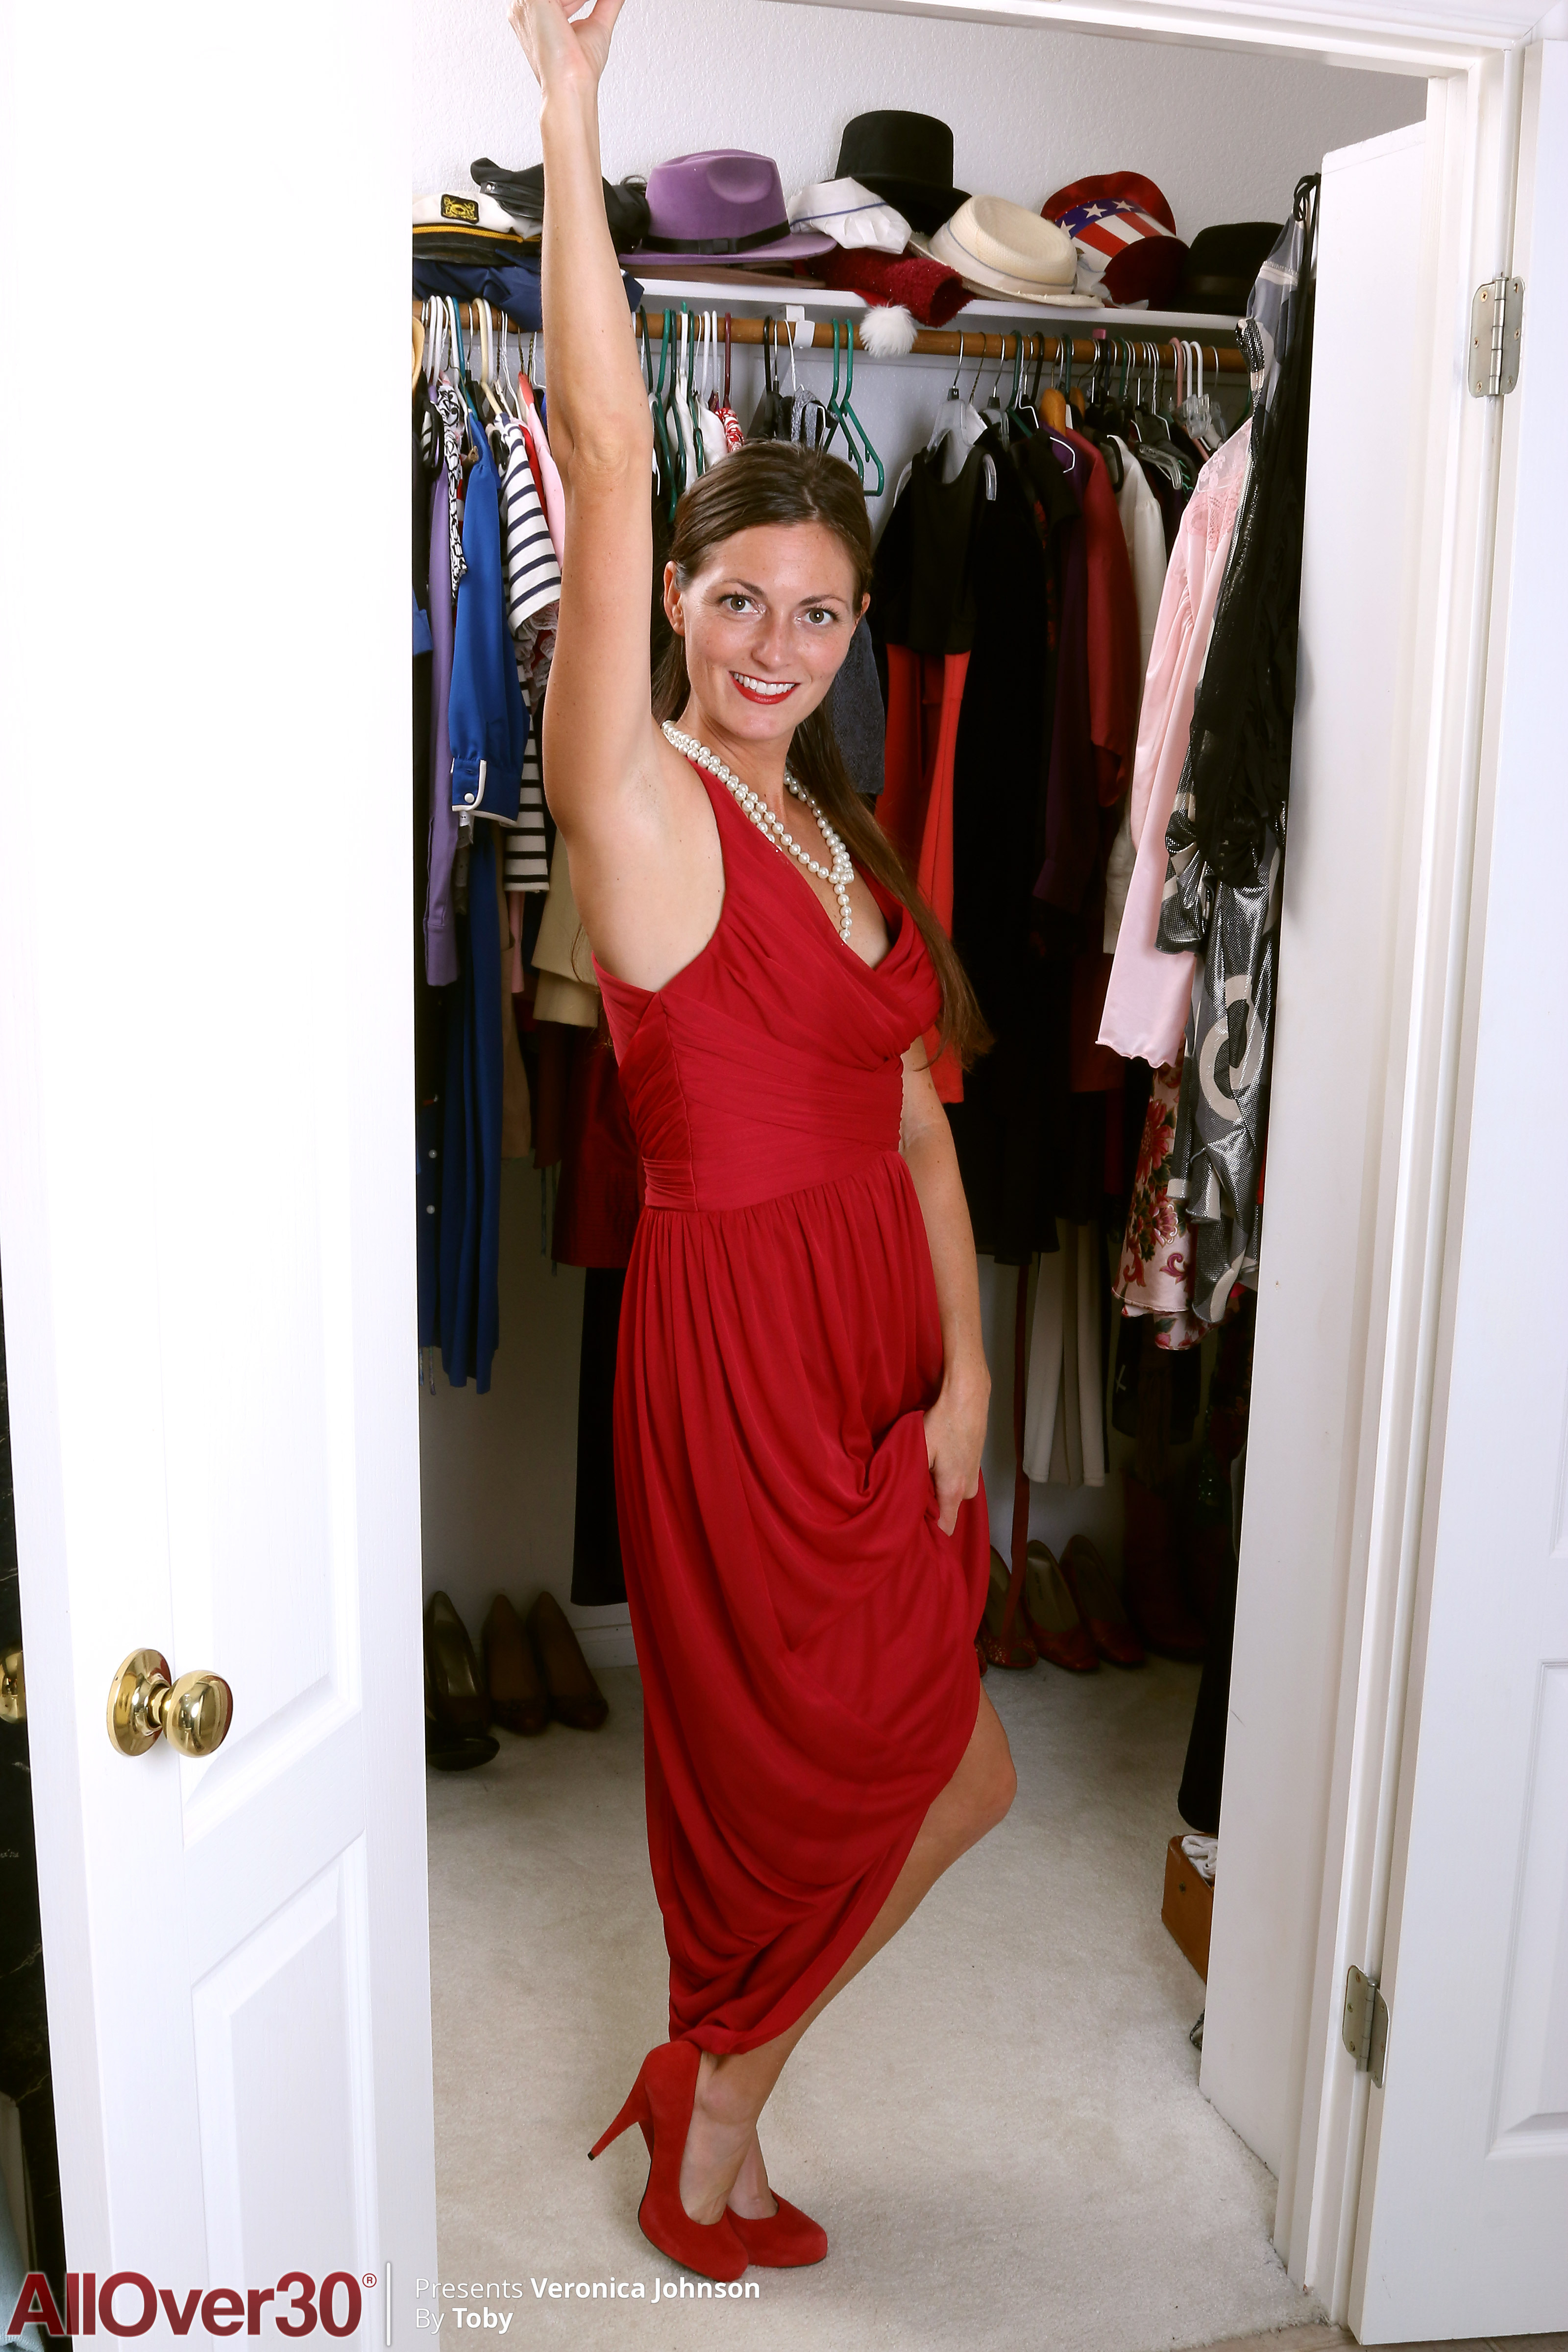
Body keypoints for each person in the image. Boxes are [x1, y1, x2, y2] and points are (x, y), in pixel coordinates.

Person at [507, 0, 1017, 2284]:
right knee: (805, 1779)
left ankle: (706, 2091)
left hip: (880, 1365)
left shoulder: (840, 833)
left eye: (816, 610)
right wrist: (571, 121)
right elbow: (609, 449)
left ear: (852, 627)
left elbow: (914, 1121)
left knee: (950, 1769)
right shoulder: (641, 804)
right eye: (737, 600)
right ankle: (708, 2101)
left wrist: (971, 1374)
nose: (775, 641)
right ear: (674, 605)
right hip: (729, 1362)